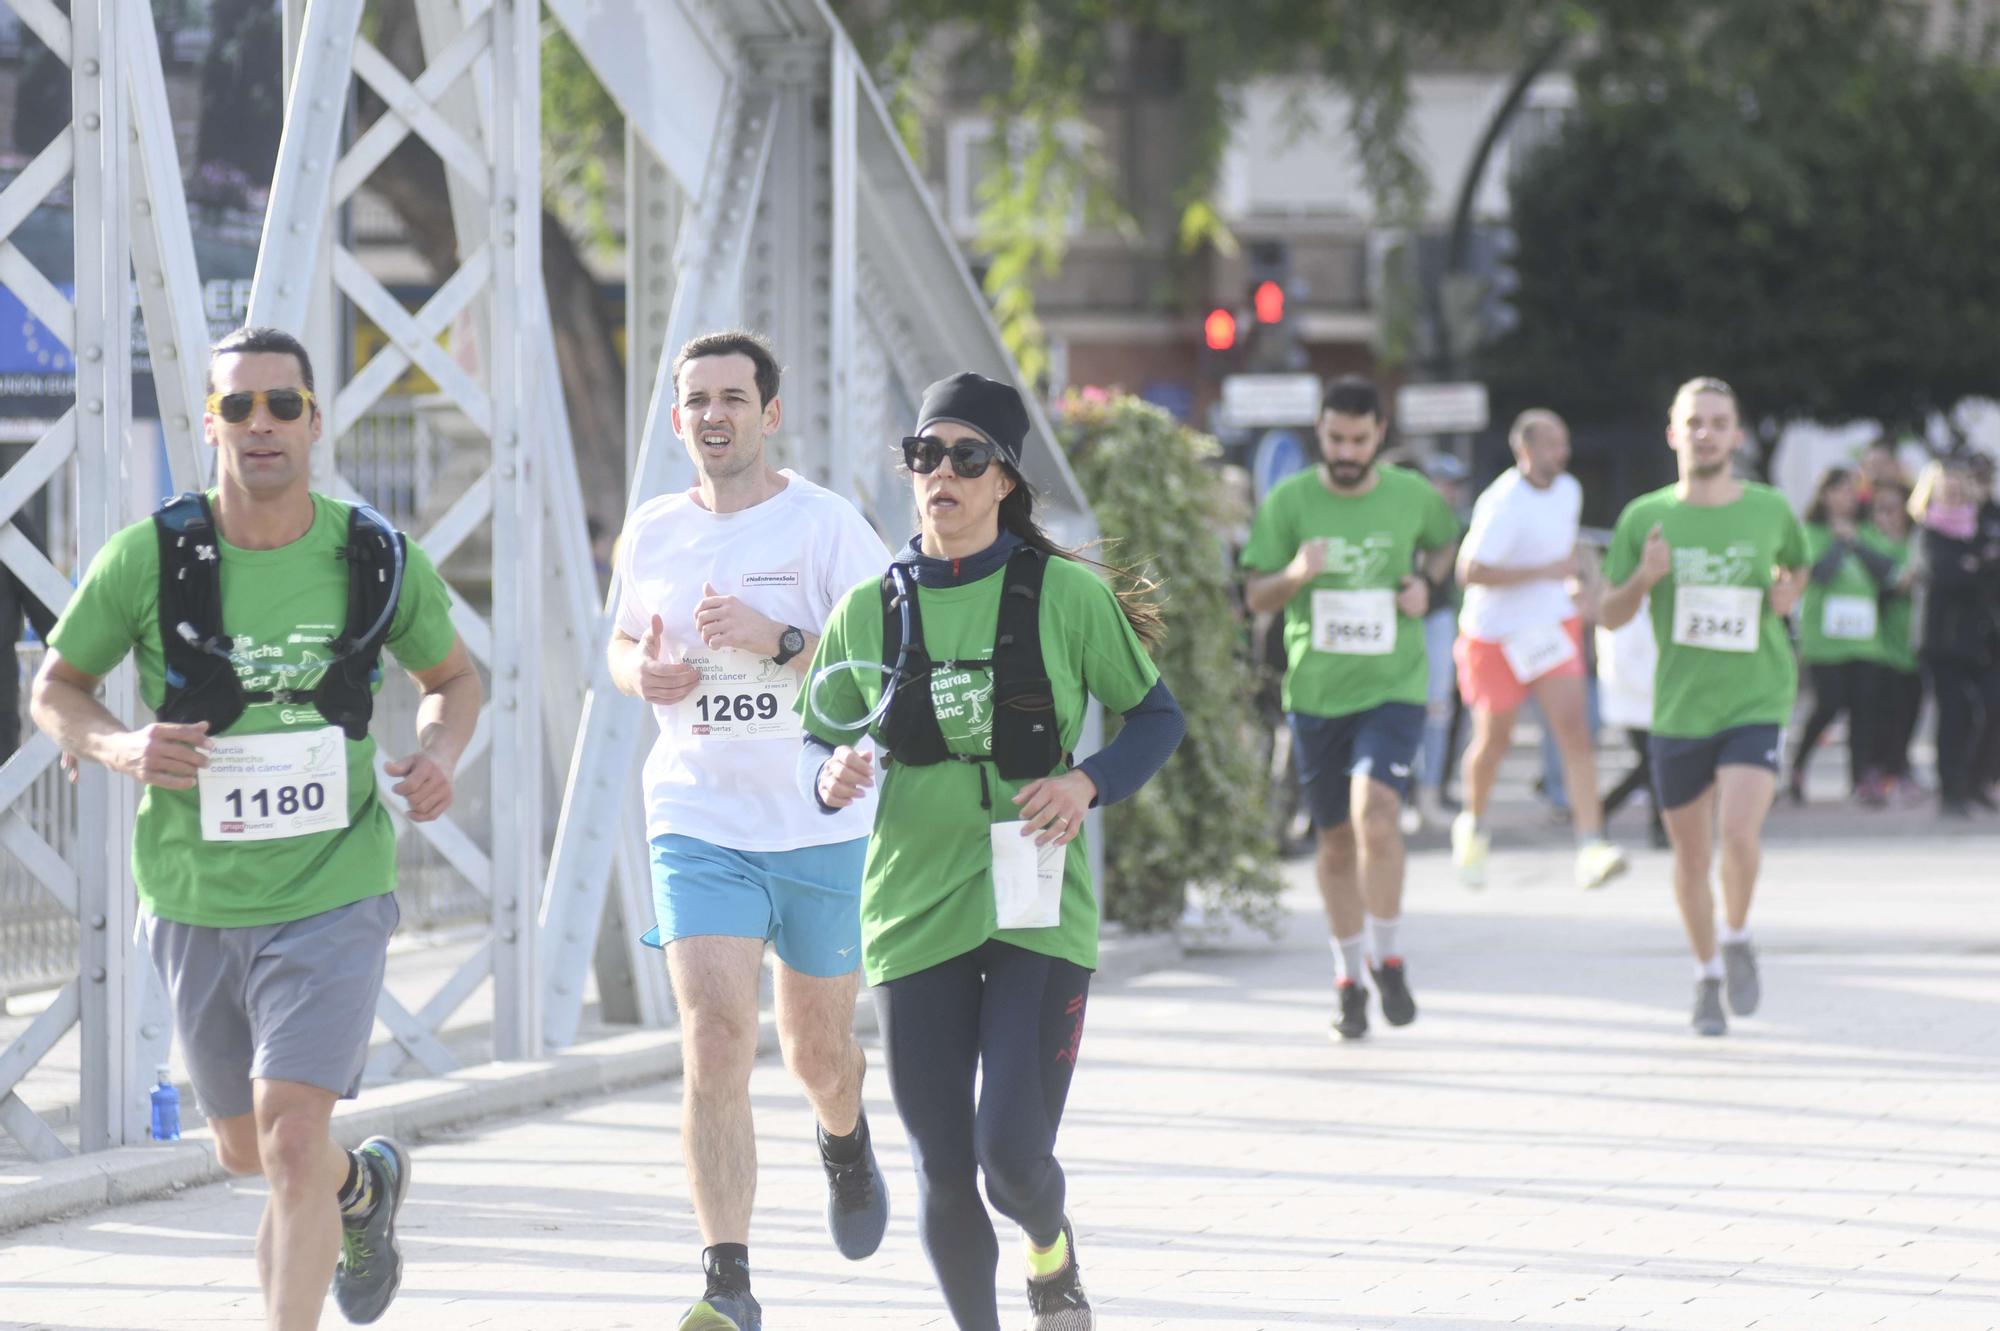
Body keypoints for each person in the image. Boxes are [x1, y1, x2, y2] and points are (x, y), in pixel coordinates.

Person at [29, 325, 476, 1328]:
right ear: (210, 423)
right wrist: (119, 747)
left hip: (333, 884)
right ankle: (359, 1187)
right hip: (193, 892)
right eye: (239, 406)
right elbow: (57, 688)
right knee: (241, 1144)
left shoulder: (374, 555)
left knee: (284, 1136)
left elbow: (450, 678)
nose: (261, 423)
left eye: (283, 405)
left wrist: (439, 755)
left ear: (316, 422)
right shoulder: (149, 555)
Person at [802, 371, 1183, 1331]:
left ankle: (1051, 1255)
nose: (943, 474)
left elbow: (1155, 717)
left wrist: (1085, 781)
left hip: (1036, 903)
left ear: (1006, 479)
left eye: (968, 457)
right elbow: (822, 736)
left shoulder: (1065, 596)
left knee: (1010, 1155)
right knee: (941, 1163)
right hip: (914, 903)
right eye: (925, 454)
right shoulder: (870, 608)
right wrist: (832, 774)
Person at [607, 330, 895, 1331]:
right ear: (677, 418)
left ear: (769, 413)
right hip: (695, 813)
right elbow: (617, 639)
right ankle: (725, 1273)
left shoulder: (823, 527)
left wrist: (775, 641)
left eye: (733, 397)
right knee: (715, 1033)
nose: (713, 415)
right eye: (696, 400)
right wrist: (635, 673)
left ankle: (844, 1131)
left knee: (816, 1049)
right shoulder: (649, 531)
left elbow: (879, 660)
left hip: (816, 814)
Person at [1241, 375, 1458, 1041]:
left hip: (1393, 687)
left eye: (1359, 439)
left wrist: (1426, 584)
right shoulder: (1291, 501)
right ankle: (1347, 978)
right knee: (1335, 843)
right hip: (1316, 694)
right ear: (1321, 432)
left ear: (1379, 435)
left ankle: (1387, 956)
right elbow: (1256, 595)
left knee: (1378, 814)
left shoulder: (1411, 495)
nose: (1346, 450)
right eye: (1335, 437)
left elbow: (1446, 545)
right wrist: (1297, 575)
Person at [1599, 376, 1807, 1037]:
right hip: (1681, 709)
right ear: (1673, 432)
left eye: (1718, 421)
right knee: (1690, 859)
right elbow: (1608, 613)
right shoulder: (1644, 518)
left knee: (1740, 832)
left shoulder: (1771, 509)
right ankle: (1708, 974)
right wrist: (1645, 577)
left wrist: (1787, 594)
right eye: (1694, 422)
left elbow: (1797, 570)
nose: (1706, 432)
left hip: (1756, 695)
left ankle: (1738, 931)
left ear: (1737, 434)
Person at [1449, 409, 1628, 890]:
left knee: (1575, 732)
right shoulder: (1502, 502)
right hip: (1494, 634)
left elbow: (1568, 551)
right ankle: (1473, 823)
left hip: (1549, 628)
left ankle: (1592, 844)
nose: (1562, 453)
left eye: (1564, 442)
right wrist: (1541, 573)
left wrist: (1585, 589)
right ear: (1524, 450)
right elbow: (1470, 572)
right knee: (1495, 741)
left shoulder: (1569, 491)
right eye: (1552, 444)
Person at [1786, 467, 1899, 805]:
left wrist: (1854, 540)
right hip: (1825, 640)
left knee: (1865, 709)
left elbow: (1885, 571)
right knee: (1829, 704)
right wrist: (1838, 541)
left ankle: (1860, 779)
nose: (1847, 497)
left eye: (1852, 491)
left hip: (1864, 639)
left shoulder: (1866, 532)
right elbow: (1819, 574)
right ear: (1825, 495)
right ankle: (1798, 765)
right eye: (1840, 490)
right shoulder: (1810, 532)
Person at [1907, 458, 2000, 818]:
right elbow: (1947, 576)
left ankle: (1977, 782)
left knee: (1989, 708)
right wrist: (1980, 562)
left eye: (1960, 490)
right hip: (1941, 642)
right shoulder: (1928, 533)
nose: (1954, 496)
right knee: (1954, 715)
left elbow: (1982, 576)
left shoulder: (1980, 530)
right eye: (1947, 490)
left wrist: (1978, 563)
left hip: (1980, 641)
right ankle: (1952, 792)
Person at [1859, 480, 1924, 804]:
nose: (1886, 516)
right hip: (1877, 645)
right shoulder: (1867, 541)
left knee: (1911, 712)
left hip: (1912, 642)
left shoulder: (1916, 541)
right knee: (1887, 712)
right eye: (1880, 509)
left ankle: (1901, 769)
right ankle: (1884, 772)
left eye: (1893, 509)